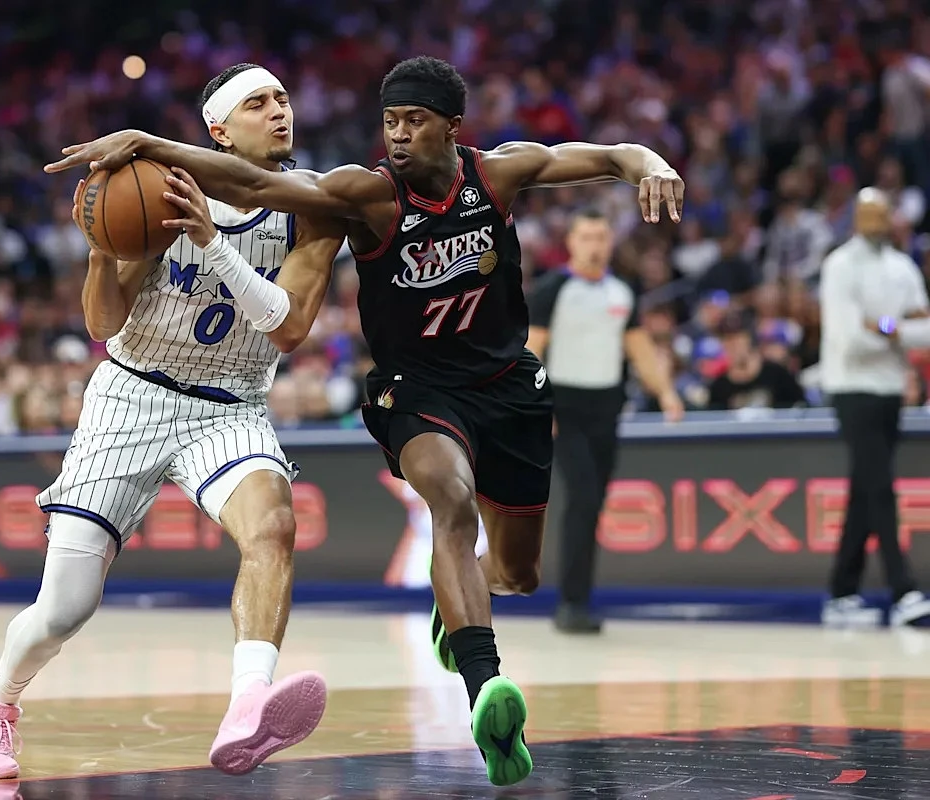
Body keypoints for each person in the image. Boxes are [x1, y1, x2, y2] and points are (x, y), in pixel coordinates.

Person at [46, 56, 684, 786]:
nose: (399, 135)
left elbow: (610, 155)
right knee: (450, 500)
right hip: (415, 391)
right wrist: (150, 144)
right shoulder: (368, 192)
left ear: (452, 126)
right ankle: (485, 684)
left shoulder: (500, 174)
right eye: (390, 122)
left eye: (415, 121)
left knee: (517, 572)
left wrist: (650, 162)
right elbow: (252, 185)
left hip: (507, 388)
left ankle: (460, 603)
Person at [0, 63, 347, 780]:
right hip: (132, 395)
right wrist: (102, 250)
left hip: (230, 403)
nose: (279, 111)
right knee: (65, 609)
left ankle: (248, 704)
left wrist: (212, 243)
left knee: (272, 526)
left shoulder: (315, 205)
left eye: (283, 98)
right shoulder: (162, 191)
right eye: (258, 103)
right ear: (218, 131)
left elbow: (289, 328)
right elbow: (103, 323)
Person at [524, 208, 685, 635]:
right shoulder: (553, 289)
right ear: (571, 243)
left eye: (600, 237)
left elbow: (640, 349)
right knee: (582, 496)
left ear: (610, 243)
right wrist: (537, 407)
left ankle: (580, 598)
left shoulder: (621, 291)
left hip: (606, 407)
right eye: (586, 237)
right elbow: (532, 351)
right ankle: (571, 603)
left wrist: (666, 392)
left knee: (594, 502)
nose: (594, 245)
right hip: (564, 408)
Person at [818, 187, 930, 628]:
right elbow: (850, 340)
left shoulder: (902, 267)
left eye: (882, 214)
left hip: (889, 389)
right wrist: (900, 330)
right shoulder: (840, 266)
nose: (876, 222)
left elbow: (926, 332)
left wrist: (884, 326)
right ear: (855, 219)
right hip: (851, 387)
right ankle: (903, 590)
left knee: (865, 488)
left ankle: (841, 593)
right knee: (880, 486)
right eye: (867, 214)